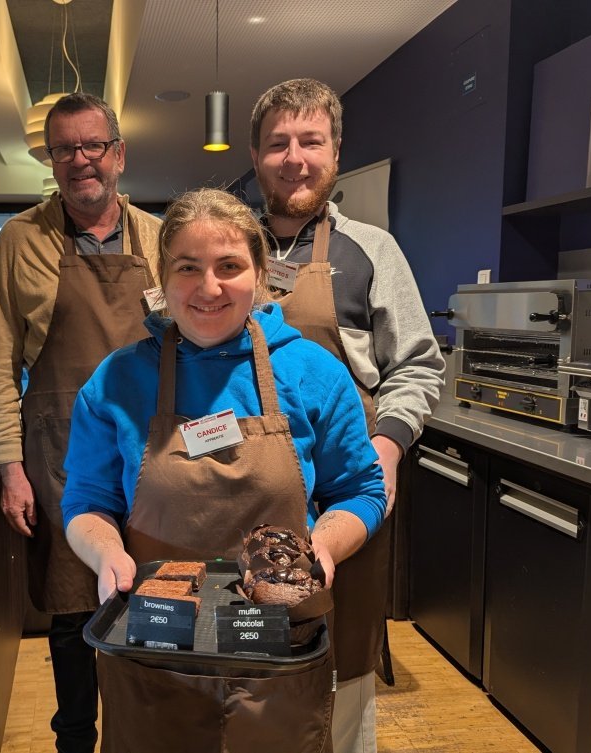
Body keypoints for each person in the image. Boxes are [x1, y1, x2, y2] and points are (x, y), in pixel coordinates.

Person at [61, 187, 387, 753]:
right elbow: (86, 502)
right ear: (163, 278)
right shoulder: (116, 382)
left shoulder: (313, 373)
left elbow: (362, 491)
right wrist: (105, 554)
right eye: (188, 268)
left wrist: (324, 548)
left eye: (229, 266)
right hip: (153, 650)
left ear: (259, 275)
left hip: (278, 658)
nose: (209, 288)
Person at [249, 78, 445, 753]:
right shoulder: (229, 251)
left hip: (344, 497)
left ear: (335, 153)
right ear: (256, 154)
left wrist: (387, 448)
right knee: (245, 665)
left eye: (311, 140)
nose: (294, 157)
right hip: (243, 497)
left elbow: (418, 364)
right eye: (278, 142)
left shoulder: (374, 251)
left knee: (343, 666)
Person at [0, 92, 161, 753]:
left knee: (151, 597)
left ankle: (144, 735)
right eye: (64, 149)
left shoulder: (159, 236)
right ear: (51, 160)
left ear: (117, 153)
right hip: (57, 451)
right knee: (71, 604)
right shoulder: (20, 240)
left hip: (150, 449)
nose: (80, 160)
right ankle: (76, 740)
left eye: (93, 146)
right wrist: (10, 468)